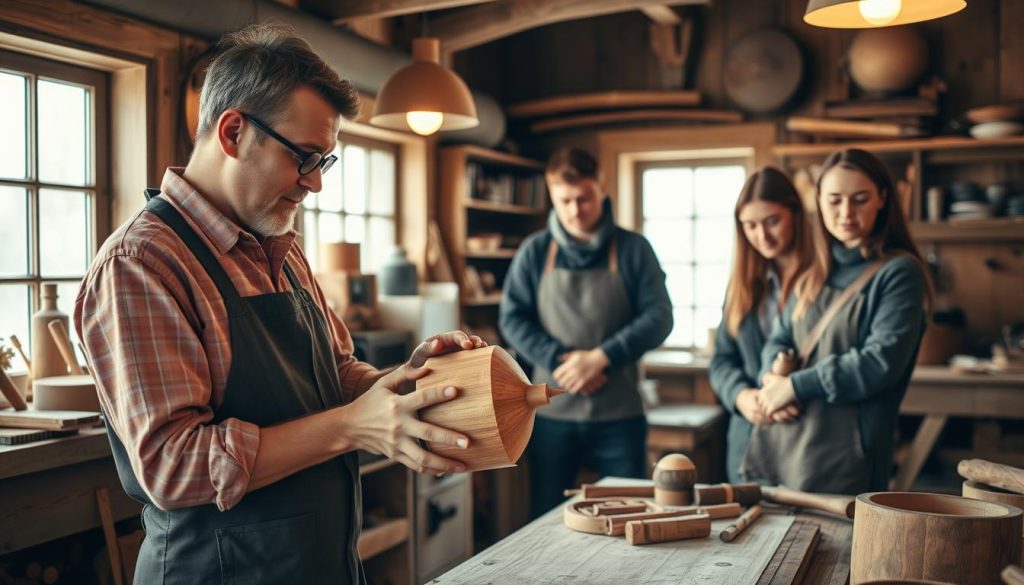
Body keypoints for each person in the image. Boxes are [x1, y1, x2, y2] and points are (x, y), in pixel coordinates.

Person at [74, 24, 482, 584]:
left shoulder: (280, 249)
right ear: (234, 131)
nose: (315, 185)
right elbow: (172, 465)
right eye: (305, 157)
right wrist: (352, 428)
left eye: (324, 162)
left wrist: (412, 383)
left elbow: (333, 373)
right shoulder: (142, 264)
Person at [744, 148, 933, 494]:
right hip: (787, 451)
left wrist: (795, 386)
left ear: (882, 199)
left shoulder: (899, 273)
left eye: (859, 199)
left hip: (847, 462)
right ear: (818, 201)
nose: (846, 214)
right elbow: (779, 337)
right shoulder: (812, 272)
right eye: (834, 201)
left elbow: (879, 363)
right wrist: (772, 377)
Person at [499, 147, 673, 518]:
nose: (576, 210)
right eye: (565, 201)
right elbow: (512, 319)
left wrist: (600, 358)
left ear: (602, 188)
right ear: (551, 195)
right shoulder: (534, 252)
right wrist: (561, 360)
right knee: (547, 521)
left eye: (584, 198)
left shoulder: (633, 249)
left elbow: (660, 317)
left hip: (620, 416)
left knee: (630, 516)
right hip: (550, 416)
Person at [709, 167, 814, 484]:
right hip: (749, 441)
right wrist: (742, 397)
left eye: (772, 221)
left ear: (795, 214)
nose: (762, 236)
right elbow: (721, 361)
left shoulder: (824, 279)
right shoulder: (742, 284)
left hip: (809, 440)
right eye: (750, 226)